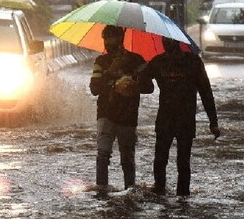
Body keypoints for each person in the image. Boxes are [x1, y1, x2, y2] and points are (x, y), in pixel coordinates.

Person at [139, 37, 220, 196]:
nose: (166, 43)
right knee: (161, 159)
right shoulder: (158, 61)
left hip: (184, 119)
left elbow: (206, 92)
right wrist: (140, 76)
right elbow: (143, 80)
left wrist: (213, 122)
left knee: (182, 161)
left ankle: (181, 195)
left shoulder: (193, 61)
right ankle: (161, 191)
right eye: (164, 41)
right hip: (167, 119)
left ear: (177, 42)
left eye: (168, 41)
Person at [89, 25, 153, 194]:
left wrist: (133, 82)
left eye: (111, 39)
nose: (108, 44)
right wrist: (110, 73)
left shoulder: (136, 60)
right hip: (105, 114)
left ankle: (129, 191)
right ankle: (101, 191)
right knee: (103, 155)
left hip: (128, 115)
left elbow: (149, 87)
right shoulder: (100, 62)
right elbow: (94, 88)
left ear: (121, 40)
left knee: (127, 158)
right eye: (105, 39)